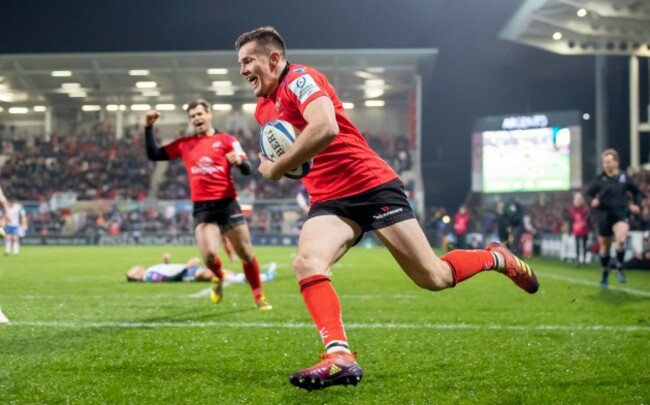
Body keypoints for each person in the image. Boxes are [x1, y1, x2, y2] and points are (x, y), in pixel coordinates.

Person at [235, 26, 539, 391]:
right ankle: (339, 356)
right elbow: (301, 156)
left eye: (248, 60)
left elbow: (326, 127)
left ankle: (497, 258)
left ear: (274, 58)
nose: (242, 70)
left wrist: (277, 168)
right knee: (306, 262)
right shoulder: (262, 110)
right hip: (329, 200)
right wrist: (282, 164)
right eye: (240, 63)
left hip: (370, 184)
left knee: (434, 277)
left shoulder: (301, 78)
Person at [144, 100, 272, 310]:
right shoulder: (184, 144)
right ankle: (218, 277)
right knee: (210, 256)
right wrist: (148, 127)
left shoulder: (227, 140)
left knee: (246, 254)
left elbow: (248, 169)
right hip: (202, 209)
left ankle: (259, 296)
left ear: (209, 114)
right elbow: (154, 154)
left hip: (228, 205)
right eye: (193, 116)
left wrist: (239, 162)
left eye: (200, 114)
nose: (197, 118)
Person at [585, 148, 644, 287]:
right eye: (604, 162)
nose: (606, 165)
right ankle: (605, 273)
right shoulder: (599, 179)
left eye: (608, 162)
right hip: (604, 215)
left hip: (620, 213)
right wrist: (592, 201)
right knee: (604, 248)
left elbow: (637, 192)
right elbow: (588, 194)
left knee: (621, 239)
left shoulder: (624, 177)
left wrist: (636, 205)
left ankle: (619, 267)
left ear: (616, 162)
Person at [126, 252, 277, 284]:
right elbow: (169, 279)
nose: (133, 268)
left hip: (188, 270)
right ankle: (260, 278)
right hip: (188, 274)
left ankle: (252, 278)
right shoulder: (148, 276)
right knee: (210, 273)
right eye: (131, 271)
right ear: (135, 276)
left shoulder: (148, 272)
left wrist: (166, 262)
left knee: (222, 271)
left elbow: (166, 272)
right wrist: (187, 266)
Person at [568, 192, 590, 266]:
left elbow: (588, 219)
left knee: (584, 245)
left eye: (579, 199)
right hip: (576, 229)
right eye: (576, 199)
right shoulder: (572, 209)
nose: (577, 201)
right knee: (577, 244)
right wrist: (570, 230)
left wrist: (587, 225)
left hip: (584, 229)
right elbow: (571, 220)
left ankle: (583, 259)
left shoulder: (585, 209)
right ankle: (577, 259)